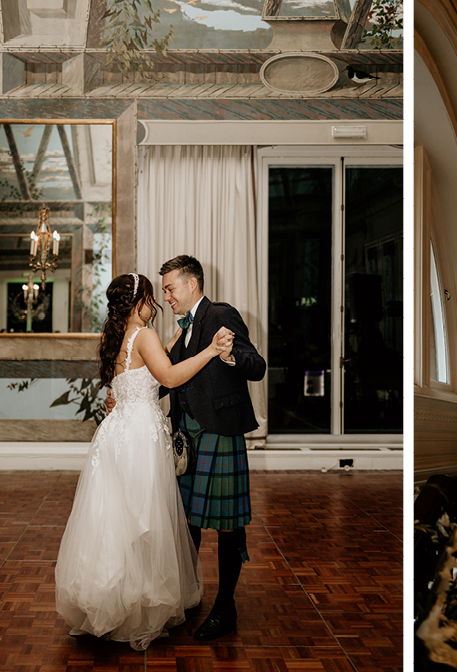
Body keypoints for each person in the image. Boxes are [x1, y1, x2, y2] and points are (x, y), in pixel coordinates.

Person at [55, 273, 234, 651]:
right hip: (139, 437)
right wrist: (211, 350)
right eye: (152, 297)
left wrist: (173, 342)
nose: (156, 304)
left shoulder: (120, 336)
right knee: (143, 518)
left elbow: (140, 371)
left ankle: (111, 598)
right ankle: (138, 603)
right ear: (140, 302)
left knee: (115, 518)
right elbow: (166, 374)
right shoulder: (146, 336)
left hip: (116, 435)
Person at [159, 255, 267, 641]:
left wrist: (232, 355)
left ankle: (226, 606)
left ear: (191, 284)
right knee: (188, 522)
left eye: (170, 288)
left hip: (219, 431)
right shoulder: (184, 328)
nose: (166, 296)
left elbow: (257, 365)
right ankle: (190, 595)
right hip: (187, 435)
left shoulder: (222, 314)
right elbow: (168, 376)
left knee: (227, 526)